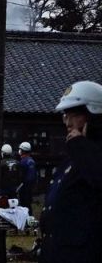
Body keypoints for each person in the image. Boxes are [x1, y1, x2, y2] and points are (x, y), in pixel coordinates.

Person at [39, 81, 102, 263]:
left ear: (93, 115)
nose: (67, 123)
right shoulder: (74, 153)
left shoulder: (86, 151)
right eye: (65, 116)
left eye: (74, 115)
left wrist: (81, 147)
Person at [18, 141, 37, 215]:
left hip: (24, 187)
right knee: (28, 204)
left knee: (23, 205)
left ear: (22, 151)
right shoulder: (32, 161)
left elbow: (20, 176)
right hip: (30, 187)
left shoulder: (23, 162)